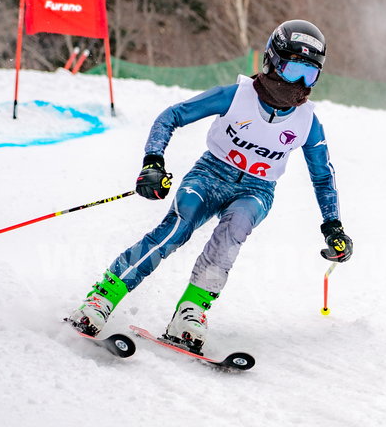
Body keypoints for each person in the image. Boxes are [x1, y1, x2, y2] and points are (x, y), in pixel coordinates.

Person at [67, 19, 352, 352]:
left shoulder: (307, 122)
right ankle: (102, 298)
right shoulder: (236, 96)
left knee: (231, 236)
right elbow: (170, 117)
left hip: (257, 190)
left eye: (310, 74)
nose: (300, 83)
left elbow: (323, 176)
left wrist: (333, 225)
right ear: (272, 62)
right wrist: (153, 162)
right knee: (177, 228)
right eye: (292, 70)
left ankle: (191, 312)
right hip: (210, 174)